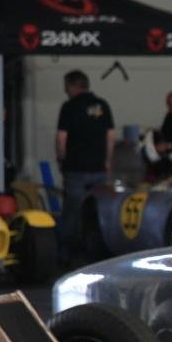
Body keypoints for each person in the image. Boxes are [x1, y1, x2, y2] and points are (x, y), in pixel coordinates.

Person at [55, 69, 114, 259]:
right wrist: (107, 161)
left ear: (73, 86)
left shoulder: (69, 107)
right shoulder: (102, 105)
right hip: (98, 168)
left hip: (75, 168)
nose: (65, 90)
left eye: (66, 86)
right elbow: (110, 136)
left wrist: (62, 159)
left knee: (72, 210)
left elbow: (61, 138)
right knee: (97, 211)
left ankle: (65, 253)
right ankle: (97, 252)